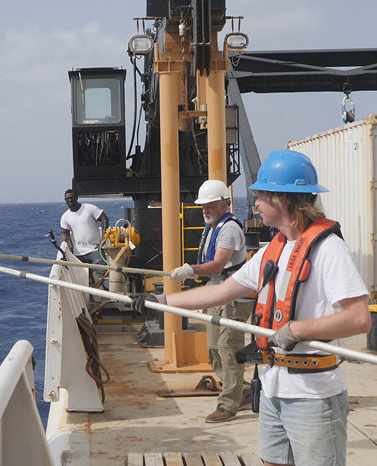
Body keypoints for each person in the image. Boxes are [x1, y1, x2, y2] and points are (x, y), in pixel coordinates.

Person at [134, 150, 371, 466]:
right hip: (274, 387)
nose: (255, 204)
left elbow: (358, 318)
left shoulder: (330, 250)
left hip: (313, 394)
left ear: (282, 200)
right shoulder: (274, 249)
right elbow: (220, 292)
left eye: (260, 196)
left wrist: (298, 329)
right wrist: (161, 302)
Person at [169, 179, 253, 423]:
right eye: (203, 206)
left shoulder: (228, 229)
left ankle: (228, 405)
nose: (205, 210)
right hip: (218, 292)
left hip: (235, 297)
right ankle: (243, 391)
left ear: (224, 204)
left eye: (210, 206)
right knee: (214, 350)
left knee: (229, 349)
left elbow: (217, 264)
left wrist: (190, 270)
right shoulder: (213, 226)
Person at [60, 190, 109, 282]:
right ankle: (90, 296)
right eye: (67, 199)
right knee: (83, 280)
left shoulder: (89, 208)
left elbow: (104, 219)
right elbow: (65, 233)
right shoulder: (65, 216)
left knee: (104, 277)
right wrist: (63, 245)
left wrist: (103, 237)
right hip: (79, 253)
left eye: (71, 198)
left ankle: (111, 296)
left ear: (77, 197)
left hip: (95, 249)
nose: (69, 200)